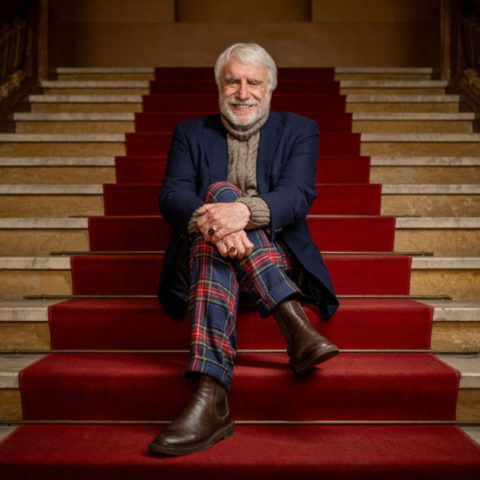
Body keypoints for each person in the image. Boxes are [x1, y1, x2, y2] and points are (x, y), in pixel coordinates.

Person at [150, 43, 339, 457]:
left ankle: (212, 400)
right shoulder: (190, 133)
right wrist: (217, 222)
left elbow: (297, 195)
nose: (243, 92)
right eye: (232, 81)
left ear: (270, 88)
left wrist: (239, 212)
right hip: (207, 253)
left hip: (277, 257)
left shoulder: (299, 129)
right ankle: (294, 326)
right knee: (218, 203)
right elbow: (172, 197)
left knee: (221, 197)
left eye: (254, 82)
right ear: (219, 86)